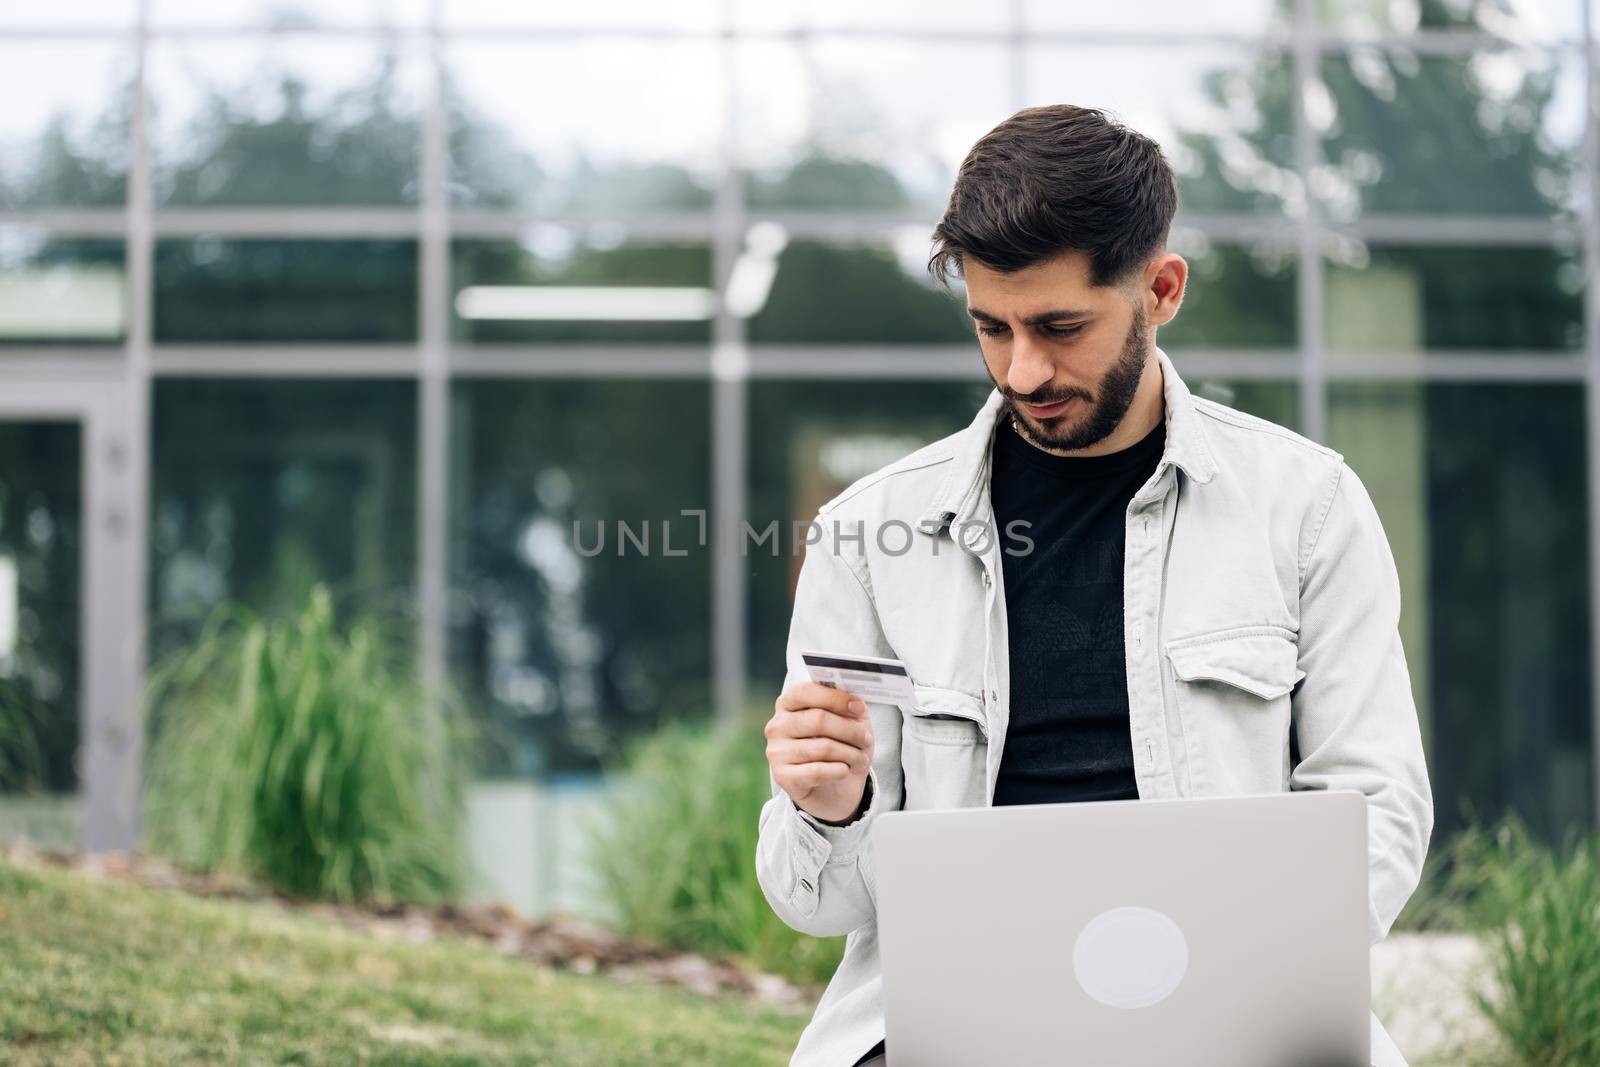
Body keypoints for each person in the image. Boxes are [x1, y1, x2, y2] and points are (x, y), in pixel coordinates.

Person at [754, 103, 1433, 1067]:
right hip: (942, 1028)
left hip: (1241, 1014)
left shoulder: (1307, 508)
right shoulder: (871, 536)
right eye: (992, 328)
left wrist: (1242, 977)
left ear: (1160, 290)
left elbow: (1379, 807)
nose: (1023, 370)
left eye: (1060, 326)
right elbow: (818, 903)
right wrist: (832, 808)